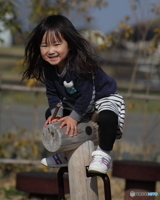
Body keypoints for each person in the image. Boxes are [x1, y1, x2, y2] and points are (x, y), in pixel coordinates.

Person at [22, 15, 125, 174]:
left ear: (69, 44)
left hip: (102, 96)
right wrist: (58, 114)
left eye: (56, 44)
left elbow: (87, 95)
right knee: (51, 114)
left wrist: (74, 117)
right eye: (44, 46)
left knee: (108, 117)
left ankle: (103, 154)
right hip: (77, 101)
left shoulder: (79, 64)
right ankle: (65, 151)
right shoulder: (49, 69)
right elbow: (53, 94)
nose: (51, 51)